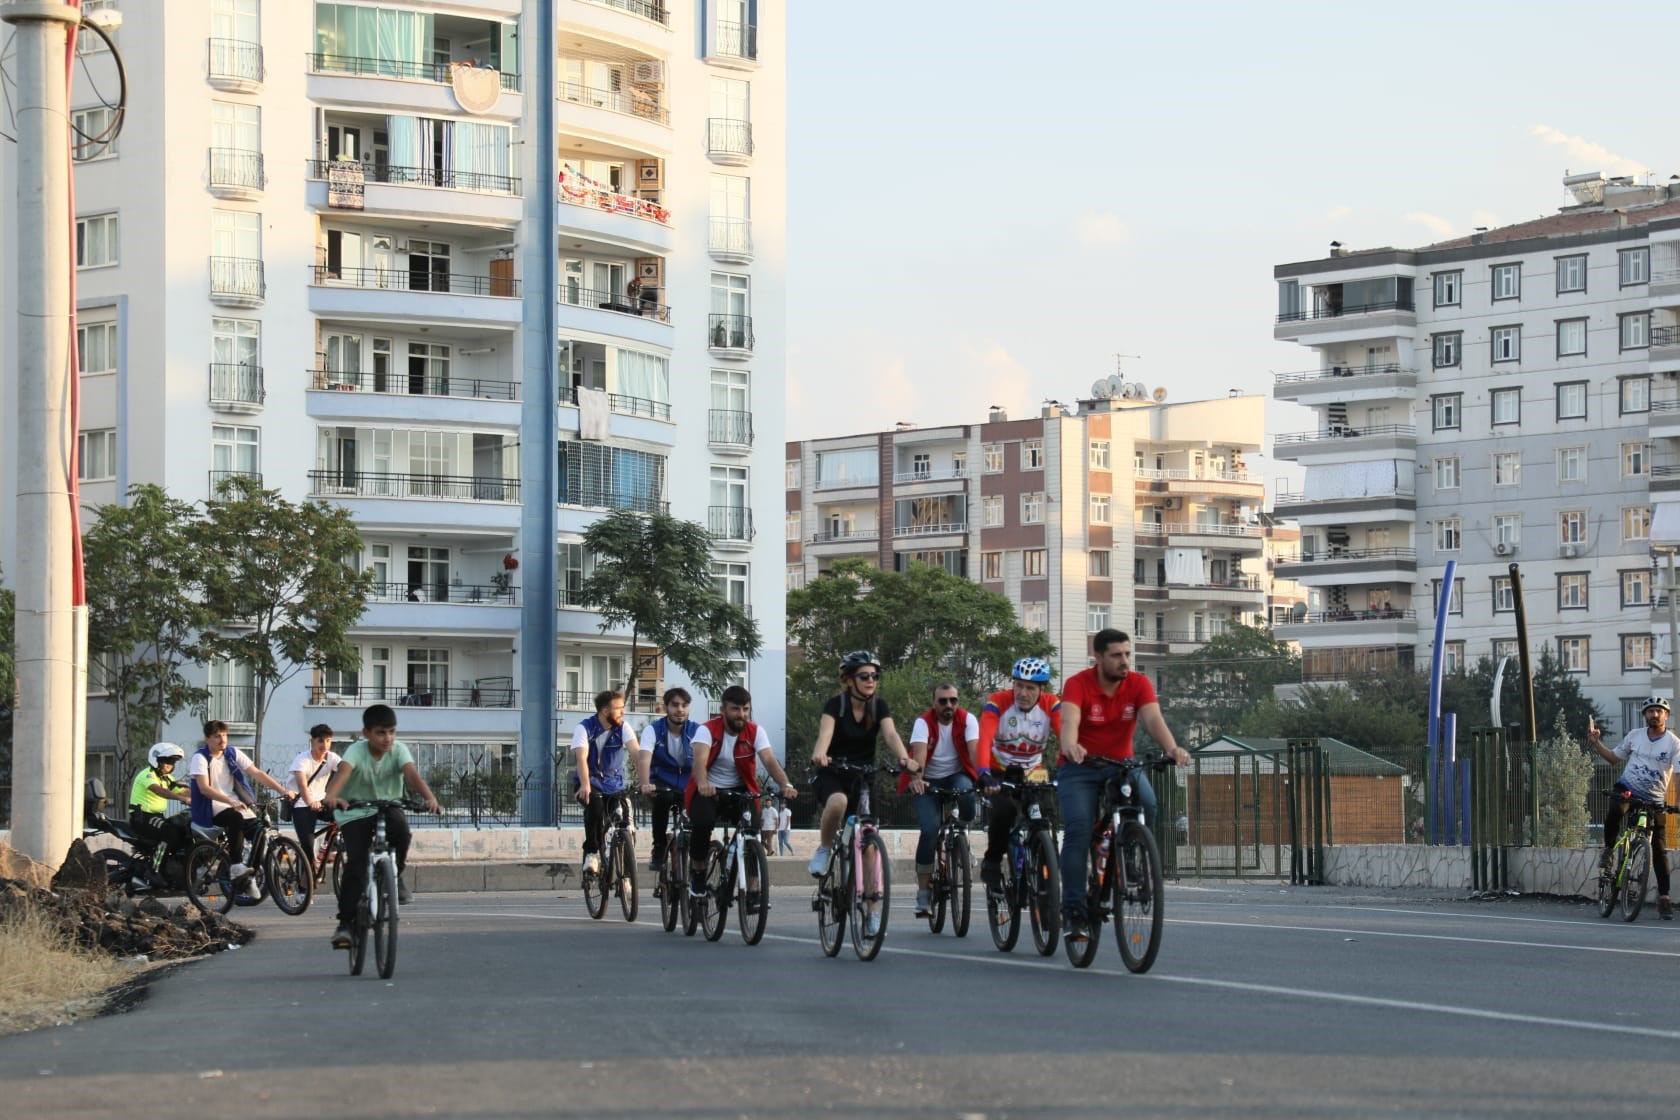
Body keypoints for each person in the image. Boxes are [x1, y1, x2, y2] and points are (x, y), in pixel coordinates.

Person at [1056, 630, 1190, 944]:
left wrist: (1173, 749)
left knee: (1149, 802)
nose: (1125, 661)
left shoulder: (1139, 683)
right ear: (1098, 656)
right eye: (1117, 655)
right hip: (1081, 768)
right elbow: (1069, 723)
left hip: (1121, 766)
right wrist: (1070, 746)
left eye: (1128, 654)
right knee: (1078, 830)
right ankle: (1073, 911)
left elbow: (1154, 720)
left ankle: (1130, 853)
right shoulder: (1078, 684)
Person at [809, 651, 920, 937]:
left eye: (874, 676)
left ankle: (872, 914)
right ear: (849, 679)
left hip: (863, 775)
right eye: (864, 676)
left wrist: (904, 759)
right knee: (839, 801)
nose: (871, 680)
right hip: (833, 772)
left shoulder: (878, 707)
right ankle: (823, 849)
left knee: (869, 843)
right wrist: (820, 754)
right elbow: (825, 735)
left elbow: (891, 735)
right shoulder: (837, 705)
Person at [323, 703, 443, 948]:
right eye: (380, 732)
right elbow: (342, 775)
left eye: (391, 732)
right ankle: (345, 925)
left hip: (387, 807)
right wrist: (332, 796)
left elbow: (411, 775)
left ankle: (396, 876)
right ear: (366, 733)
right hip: (355, 811)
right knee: (356, 863)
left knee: (402, 831)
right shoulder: (356, 751)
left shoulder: (398, 751)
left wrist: (430, 798)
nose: (387, 738)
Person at [685, 685, 797, 906]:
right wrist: (704, 783)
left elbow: (769, 760)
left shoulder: (755, 732)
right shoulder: (706, 731)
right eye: (736, 709)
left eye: (746, 709)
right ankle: (698, 874)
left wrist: (785, 784)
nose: (742, 715)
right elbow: (699, 762)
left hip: (742, 791)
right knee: (703, 823)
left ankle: (753, 889)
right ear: (723, 709)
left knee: (752, 834)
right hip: (709, 790)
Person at [975, 658, 1063, 896]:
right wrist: (983, 772)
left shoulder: (1051, 704)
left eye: (1030, 688)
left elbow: (1065, 737)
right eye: (1019, 685)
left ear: (1042, 690)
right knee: (1003, 811)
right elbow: (984, 739)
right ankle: (992, 862)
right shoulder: (998, 702)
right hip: (999, 770)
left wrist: (1070, 767)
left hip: (1034, 770)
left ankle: (1047, 882)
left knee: (1046, 817)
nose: (1022, 693)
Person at [1588, 698, 1680, 919]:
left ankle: (1664, 899)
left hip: (1654, 798)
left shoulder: (1674, 743)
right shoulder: (1635, 736)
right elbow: (1613, 758)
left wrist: (1677, 803)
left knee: (1658, 848)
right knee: (1616, 811)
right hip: (1628, 789)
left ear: (1666, 716)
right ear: (1645, 715)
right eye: (1650, 711)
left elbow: (1677, 775)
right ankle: (1609, 851)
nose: (1654, 714)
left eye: (1659, 711)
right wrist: (1596, 743)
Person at [905, 682, 979, 919]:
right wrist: (917, 778)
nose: (949, 705)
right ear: (934, 703)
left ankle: (961, 830)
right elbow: (919, 755)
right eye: (943, 701)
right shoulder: (923, 722)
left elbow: (975, 753)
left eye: (953, 700)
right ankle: (923, 894)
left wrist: (986, 778)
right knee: (929, 830)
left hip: (956, 776)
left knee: (968, 794)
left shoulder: (968, 720)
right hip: (928, 779)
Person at [188, 719, 294, 883]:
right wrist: (230, 802)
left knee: (260, 832)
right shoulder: (200, 758)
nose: (222, 739)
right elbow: (204, 789)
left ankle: (249, 878)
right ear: (208, 739)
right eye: (217, 736)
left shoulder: (231, 753)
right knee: (235, 818)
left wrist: (283, 791)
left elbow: (257, 773)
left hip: (234, 803)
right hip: (211, 806)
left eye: (224, 735)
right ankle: (236, 865)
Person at [572, 690, 635, 876]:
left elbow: (637, 752)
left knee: (626, 817)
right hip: (589, 783)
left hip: (614, 784)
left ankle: (627, 873)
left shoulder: (623, 728)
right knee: (596, 808)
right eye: (619, 709)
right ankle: (592, 852)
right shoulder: (584, 728)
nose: (623, 713)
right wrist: (585, 785)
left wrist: (647, 779)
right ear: (605, 711)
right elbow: (581, 759)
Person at [636, 687, 698, 873]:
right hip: (662, 782)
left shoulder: (697, 730)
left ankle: (696, 855)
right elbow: (644, 757)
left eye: (684, 705)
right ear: (666, 707)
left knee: (699, 811)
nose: (680, 710)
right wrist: (645, 783)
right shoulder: (653, 730)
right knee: (662, 800)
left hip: (688, 783)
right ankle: (659, 847)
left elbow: (706, 759)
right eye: (675, 705)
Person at [128, 743, 194, 871]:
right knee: (169, 832)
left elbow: (182, 791)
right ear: (156, 760)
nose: (170, 765)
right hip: (143, 817)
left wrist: (203, 795)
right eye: (167, 761)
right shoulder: (147, 775)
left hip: (157, 817)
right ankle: (155, 869)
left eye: (173, 761)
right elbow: (159, 791)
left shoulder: (167, 779)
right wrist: (182, 799)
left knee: (183, 831)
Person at [288, 724, 343, 864]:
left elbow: (347, 771)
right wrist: (310, 802)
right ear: (312, 741)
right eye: (320, 740)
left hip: (321, 801)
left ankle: (327, 848)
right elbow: (302, 786)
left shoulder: (331, 757)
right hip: (301, 804)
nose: (325, 745)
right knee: (307, 846)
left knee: (345, 814)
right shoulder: (302, 760)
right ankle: (305, 881)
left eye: (328, 741)